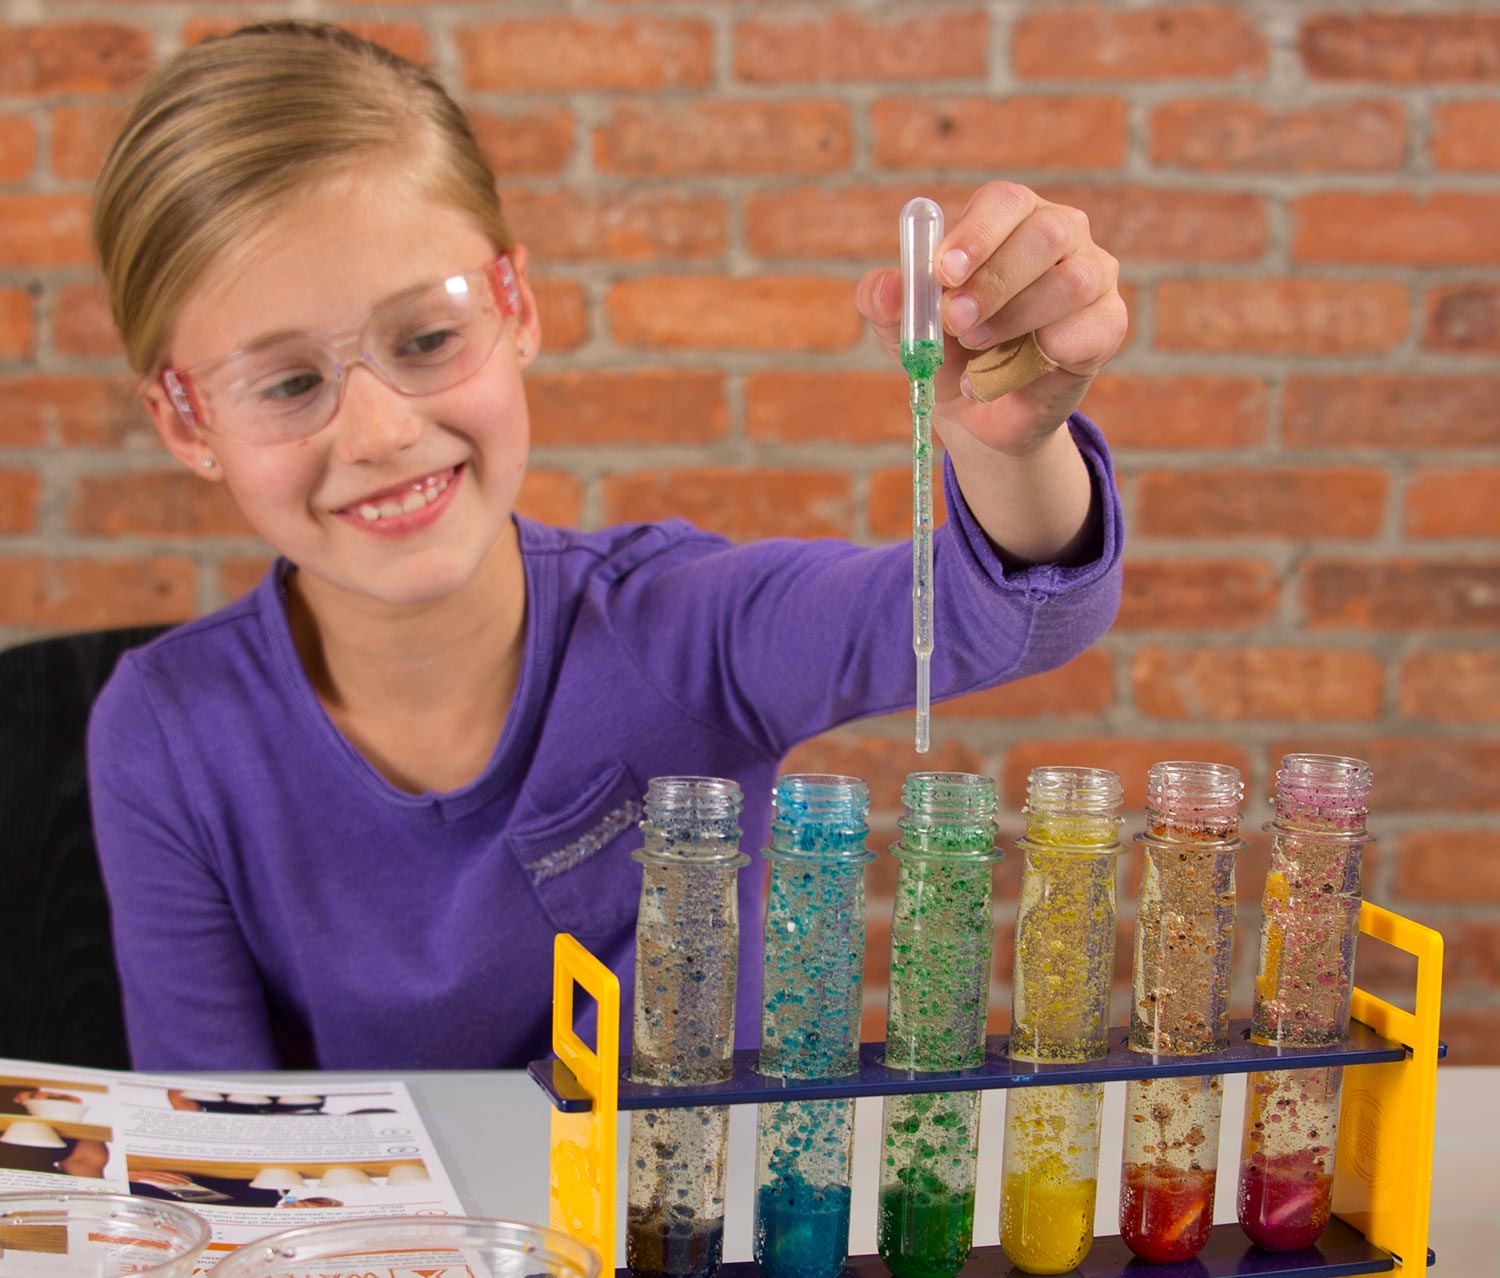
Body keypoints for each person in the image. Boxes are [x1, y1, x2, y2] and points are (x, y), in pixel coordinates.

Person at [86, 22, 1128, 1073]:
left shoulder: (683, 631)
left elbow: (1007, 608)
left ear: (518, 308)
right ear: (185, 424)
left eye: (427, 338)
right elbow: (213, 1157)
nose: (380, 431)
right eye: (287, 383)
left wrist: (1013, 446)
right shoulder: (167, 732)